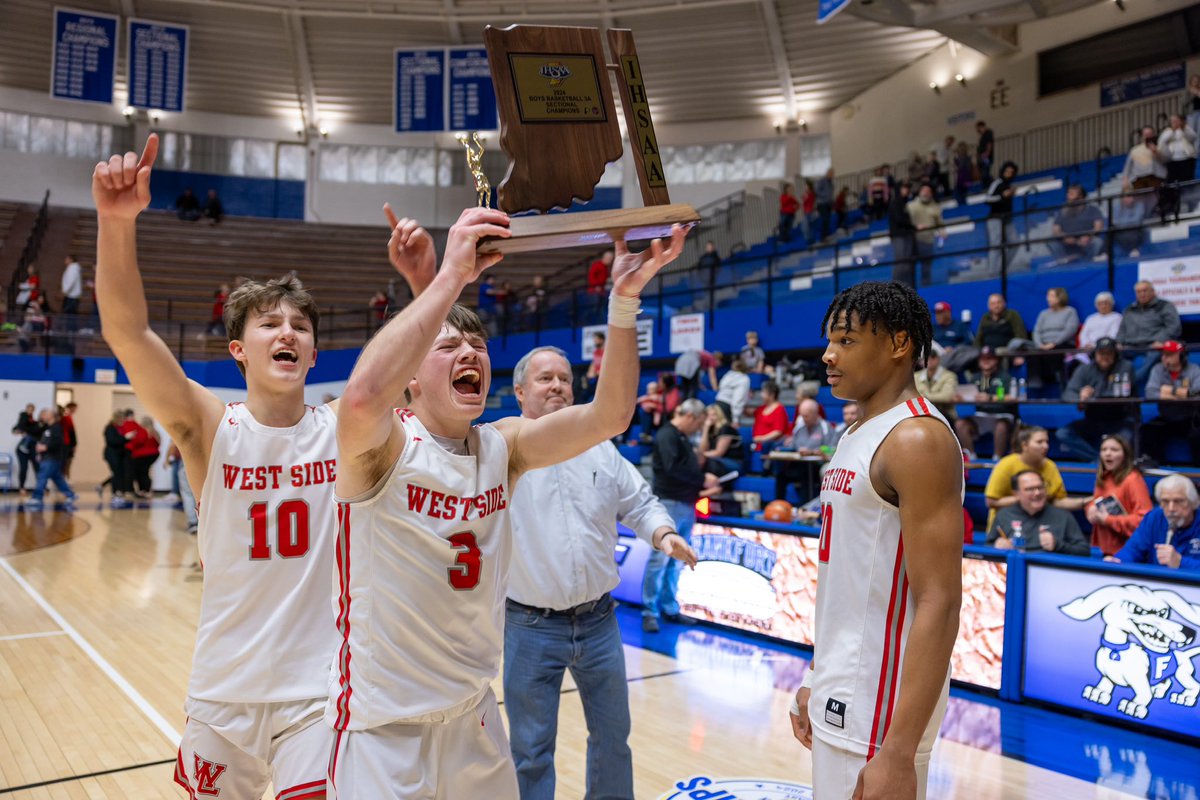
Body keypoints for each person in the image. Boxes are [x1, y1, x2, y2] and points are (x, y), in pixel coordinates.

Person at [329, 204, 687, 797]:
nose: (470, 351)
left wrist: (623, 300)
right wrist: (447, 276)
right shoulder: (382, 445)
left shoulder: (505, 445)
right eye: (449, 347)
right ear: (412, 379)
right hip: (383, 723)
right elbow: (364, 396)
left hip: (473, 712)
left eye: (478, 344)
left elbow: (611, 415)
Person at [93, 133, 376, 799]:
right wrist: (114, 223)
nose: (287, 333)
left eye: (300, 327)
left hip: (319, 693)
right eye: (269, 324)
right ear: (237, 351)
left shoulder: (343, 427)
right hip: (224, 689)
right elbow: (128, 333)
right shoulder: (211, 428)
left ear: (313, 353)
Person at [788, 281, 963, 800]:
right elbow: (850, 580)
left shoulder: (917, 439)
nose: (827, 354)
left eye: (845, 340)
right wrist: (817, 675)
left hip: (879, 707)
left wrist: (899, 750)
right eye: (830, 340)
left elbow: (940, 599)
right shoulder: (857, 432)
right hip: (843, 685)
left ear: (898, 344)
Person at [501, 345, 696, 800]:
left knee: (613, 741)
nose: (557, 386)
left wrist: (663, 533)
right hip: (530, 626)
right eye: (545, 378)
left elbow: (639, 502)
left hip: (599, 622)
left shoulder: (600, 448)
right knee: (530, 752)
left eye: (564, 379)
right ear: (519, 391)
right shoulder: (501, 451)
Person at [643, 399, 719, 634]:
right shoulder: (668, 435)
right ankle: (649, 611)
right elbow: (672, 469)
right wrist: (701, 480)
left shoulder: (682, 437)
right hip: (669, 503)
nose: (697, 429)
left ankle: (669, 607)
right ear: (691, 417)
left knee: (677, 561)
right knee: (660, 560)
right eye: (698, 424)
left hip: (685, 503)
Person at [984, 426, 1079, 532]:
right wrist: (1027, 497)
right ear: (1024, 445)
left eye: (1047, 442)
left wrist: (1084, 502)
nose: (1045, 446)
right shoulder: (1006, 465)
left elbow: (1058, 500)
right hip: (1007, 526)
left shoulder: (1050, 466)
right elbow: (991, 502)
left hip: (1040, 526)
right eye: (1039, 442)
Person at [1057, 337, 1136, 462]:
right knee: (1063, 433)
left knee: (1126, 437)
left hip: (1119, 419)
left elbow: (1120, 393)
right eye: (1101, 353)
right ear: (1095, 354)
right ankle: (1097, 460)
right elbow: (1068, 393)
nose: (1105, 356)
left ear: (1115, 354)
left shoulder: (1125, 366)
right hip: (1094, 419)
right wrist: (1080, 397)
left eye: (1109, 353)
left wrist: (1090, 397)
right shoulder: (1085, 369)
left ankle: (1115, 464)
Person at [1107, 474, 1200, 570]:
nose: (1171, 508)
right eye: (1165, 502)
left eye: (1178, 501)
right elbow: (1133, 550)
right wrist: (1118, 561)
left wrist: (1180, 562)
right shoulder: (1154, 518)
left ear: (1193, 502)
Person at [987, 470, 1090, 555]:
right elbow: (987, 547)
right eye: (1030, 489)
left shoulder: (1063, 516)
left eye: (1040, 487)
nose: (1037, 493)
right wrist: (996, 546)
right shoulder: (1004, 515)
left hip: (1049, 571)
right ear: (1016, 494)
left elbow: (1084, 551)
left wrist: (1058, 545)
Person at [1085, 435, 1151, 557]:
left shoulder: (1133, 480)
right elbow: (1096, 501)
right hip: (1103, 550)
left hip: (1127, 553)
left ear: (1125, 455)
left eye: (1114, 450)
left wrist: (1108, 520)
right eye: (1104, 450)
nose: (1107, 453)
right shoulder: (1103, 478)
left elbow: (1145, 521)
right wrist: (1090, 509)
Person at [1141, 340, 1200, 466]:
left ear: (1182, 355)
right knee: (1148, 430)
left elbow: (1196, 394)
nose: (1164, 358)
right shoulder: (1158, 369)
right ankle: (1157, 465)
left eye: (1169, 354)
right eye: (1163, 354)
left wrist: (1169, 391)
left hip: (1190, 417)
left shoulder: (1194, 370)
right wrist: (1181, 394)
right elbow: (1150, 393)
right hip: (1167, 417)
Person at [1117, 280, 1182, 386]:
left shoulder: (1165, 306)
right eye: (1139, 292)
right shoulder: (1129, 309)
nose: (1142, 294)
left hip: (1153, 345)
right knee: (1109, 354)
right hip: (1130, 346)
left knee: (1155, 354)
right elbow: (1122, 330)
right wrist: (1118, 342)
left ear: (1153, 291)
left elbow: (1174, 327)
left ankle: (1133, 381)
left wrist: (1161, 340)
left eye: (1145, 291)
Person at [954, 347, 1013, 459]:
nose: (985, 361)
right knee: (960, 424)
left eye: (989, 358)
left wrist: (990, 398)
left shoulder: (1004, 377)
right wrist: (962, 398)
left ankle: (997, 458)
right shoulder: (975, 377)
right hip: (979, 416)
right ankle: (970, 456)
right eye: (982, 359)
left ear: (996, 360)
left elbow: (1011, 397)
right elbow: (970, 395)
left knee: (1001, 426)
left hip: (999, 414)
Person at [27, 407, 78, 511]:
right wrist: (40, 450)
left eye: (46, 413)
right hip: (47, 457)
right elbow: (44, 439)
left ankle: (37, 497)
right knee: (57, 478)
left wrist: (46, 447)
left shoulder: (57, 428)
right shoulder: (47, 428)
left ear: (52, 416)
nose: (43, 415)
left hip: (52, 458)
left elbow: (58, 442)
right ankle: (71, 495)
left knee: (42, 476)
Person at [1029, 287, 1080, 389]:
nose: (1048, 299)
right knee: (1032, 351)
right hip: (1043, 344)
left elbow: (1070, 330)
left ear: (1060, 297)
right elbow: (1037, 331)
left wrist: (1054, 343)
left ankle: (1057, 375)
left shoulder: (1070, 311)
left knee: (1056, 350)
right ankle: (1036, 379)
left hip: (1063, 342)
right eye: (1048, 296)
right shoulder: (1043, 313)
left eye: (1051, 296)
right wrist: (1040, 345)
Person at [1049, 185, 1105, 262]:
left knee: (1097, 242)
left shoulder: (1093, 209)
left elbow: (1098, 227)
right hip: (1068, 241)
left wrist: (1089, 236)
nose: (1068, 196)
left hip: (1086, 240)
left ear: (1081, 196)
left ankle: (1089, 261)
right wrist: (1065, 237)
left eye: (1071, 194)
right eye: (1068, 193)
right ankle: (1063, 262)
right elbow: (1056, 229)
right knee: (1053, 242)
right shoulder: (1062, 211)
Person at [984, 161, 1018, 272]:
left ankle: (1001, 270)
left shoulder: (1010, 185)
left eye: (1011, 172)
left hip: (1007, 218)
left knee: (1014, 243)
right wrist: (1002, 196)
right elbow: (987, 199)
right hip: (995, 218)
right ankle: (992, 273)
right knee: (996, 244)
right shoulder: (997, 182)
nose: (1008, 174)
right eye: (1007, 171)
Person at [906, 183, 943, 285]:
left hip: (928, 241)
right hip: (913, 241)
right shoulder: (910, 206)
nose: (926, 193)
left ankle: (926, 290)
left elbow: (940, 223)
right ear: (919, 192)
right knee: (909, 268)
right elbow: (904, 221)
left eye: (928, 191)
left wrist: (943, 232)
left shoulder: (936, 207)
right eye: (924, 191)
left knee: (926, 269)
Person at [701, 403, 745, 476]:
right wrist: (705, 429)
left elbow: (718, 453)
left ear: (720, 415)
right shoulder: (710, 430)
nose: (710, 418)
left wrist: (700, 455)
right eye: (708, 415)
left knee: (706, 463)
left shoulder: (726, 428)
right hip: (718, 460)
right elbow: (704, 449)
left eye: (714, 415)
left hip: (733, 462)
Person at [99, 410, 132, 507]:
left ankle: (116, 493)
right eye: (121, 418)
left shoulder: (118, 428)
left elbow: (120, 441)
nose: (123, 420)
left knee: (118, 474)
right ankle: (115, 494)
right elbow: (112, 441)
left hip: (119, 454)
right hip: (112, 455)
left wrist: (127, 438)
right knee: (116, 474)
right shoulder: (110, 428)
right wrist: (125, 438)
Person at [915, 349, 957, 421]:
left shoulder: (949, 376)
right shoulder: (916, 376)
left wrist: (925, 396)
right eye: (926, 357)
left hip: (944, 413)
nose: (929, 359)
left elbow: (947, 397)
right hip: (921, 412)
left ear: (938, 359)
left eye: (933, 357)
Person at [1077, 291, 1122, 356]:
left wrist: (1095, 346)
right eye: (1100, 304)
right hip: (1087, 349)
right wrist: (1086, 344)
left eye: (1106, 303)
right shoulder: (1091, 318)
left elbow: (1113, 335)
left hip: (1105, 349)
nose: (1103, 306)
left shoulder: (1117, 317)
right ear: (1096, 305)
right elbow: (1083, 335)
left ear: (1111, 304)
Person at [888, 181, 916, 285]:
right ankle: (896, 286)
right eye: (904, 188)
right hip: (899, 235)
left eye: (907, 188)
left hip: (907, 235)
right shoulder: (895, 203)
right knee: (901, 262)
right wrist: (913, 226)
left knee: (907, 262)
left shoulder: (906, 203)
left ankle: (906, 286)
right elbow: (899, 219)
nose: (907, 190)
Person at [752, 379, 790, 455]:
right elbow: (749, 413)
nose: (761, 395)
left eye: (763, 392)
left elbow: (778, 431)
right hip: (757, 447)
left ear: (772, 394)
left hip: (770, 448)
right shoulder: (761, 408)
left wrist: (762, 439)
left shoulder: (779, 409)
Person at [11, 403, 41, 496]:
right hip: (22, 450)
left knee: (37, 467)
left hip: (32, 448)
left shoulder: (34, 423)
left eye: (31, 410)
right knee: (24, 468)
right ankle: (21, 487)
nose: (30, 411)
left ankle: (40, 487)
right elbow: (16, 428)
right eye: (28, 409)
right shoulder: (23, 417)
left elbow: (35, 431)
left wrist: (25, 431)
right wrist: (19, 431)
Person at [1158, 114, 1197, 184]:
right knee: (1172, 181)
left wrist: (1183, 128)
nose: (1175, 122)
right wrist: (1173, 130)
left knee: (1186, 180)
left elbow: (1193, 137)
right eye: (1173, 121)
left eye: (1176, 120)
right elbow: (1162, 141)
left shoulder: (1186, 129)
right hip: (1173, 160)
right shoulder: (1167, 131)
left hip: (1186, 158)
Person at [130, 415, 161, 497]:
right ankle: (146, 490)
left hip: (142, 455)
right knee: (144, 472)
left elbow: (137, 442)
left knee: (141, 473)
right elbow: (158, 444)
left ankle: (143, 490)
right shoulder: (155, 432)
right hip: (153, 454)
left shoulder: (142, 431)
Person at [715, 358, 751, 423]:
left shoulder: (727, 375)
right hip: (727, 408)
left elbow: (720, 387)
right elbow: (739, 397)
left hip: (718, 404)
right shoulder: (744, 379)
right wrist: (735, 418)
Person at [1111, 193, 1147, 257]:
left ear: (1133, 198)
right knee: (1109, 231)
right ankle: (1105, 254)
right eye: (1125, 197)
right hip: (1122, 231)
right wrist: (1127, 223)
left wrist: (1122, 222)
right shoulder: (1117, 207)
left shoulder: (1139, 205)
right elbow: (1114, 222)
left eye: (1129, 197)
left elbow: (1136, 221)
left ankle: (1135, 250)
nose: (1127, 199)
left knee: (1137, 230)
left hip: (1134, 230)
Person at [61, 254, 83, 327]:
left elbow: (71, 281)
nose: (65, 260)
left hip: (72, 295)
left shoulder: (73, 268)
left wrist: (65, 291)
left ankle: (71, 330)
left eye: (67, 258)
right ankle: (70, 329)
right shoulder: (72, 268)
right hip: (71, 295)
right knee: (71, 314)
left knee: (70, 315)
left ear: (71, 260)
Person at [815, 168, 835, 241]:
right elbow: (817, 191)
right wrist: (824, 195)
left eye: (832, 173)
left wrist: (831, 201)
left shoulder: (831, 183)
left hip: (828, 204)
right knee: (825, 219)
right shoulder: (822, 181)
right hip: (822, 204)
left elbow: (831, 194)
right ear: (827, 173)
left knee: (828, 220)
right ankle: (823, 237)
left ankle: (826, 236)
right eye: (830, 173)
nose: (832, 175)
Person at [60, 402, 77, 479]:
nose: (75, 410)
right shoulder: (66, 417)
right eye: (74, 408)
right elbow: (71, 432)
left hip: (68, 442)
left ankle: (66, 477)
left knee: (68, 461)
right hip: (66, 443)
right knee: (65, 462)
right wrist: (73, 444)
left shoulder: (68, 417)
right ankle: (64, 478)